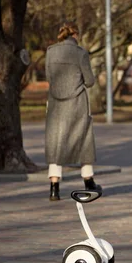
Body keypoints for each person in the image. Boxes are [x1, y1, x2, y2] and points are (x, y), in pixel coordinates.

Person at [45, 21, 100, 201]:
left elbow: (49, 77)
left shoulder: (50, 52)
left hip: (55, 105)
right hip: (77, 104)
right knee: (83, 140)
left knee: (56, 143)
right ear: (75, 35)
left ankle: (54, 186)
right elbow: (90, 81)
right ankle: (88, 181)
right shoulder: (80, 53)